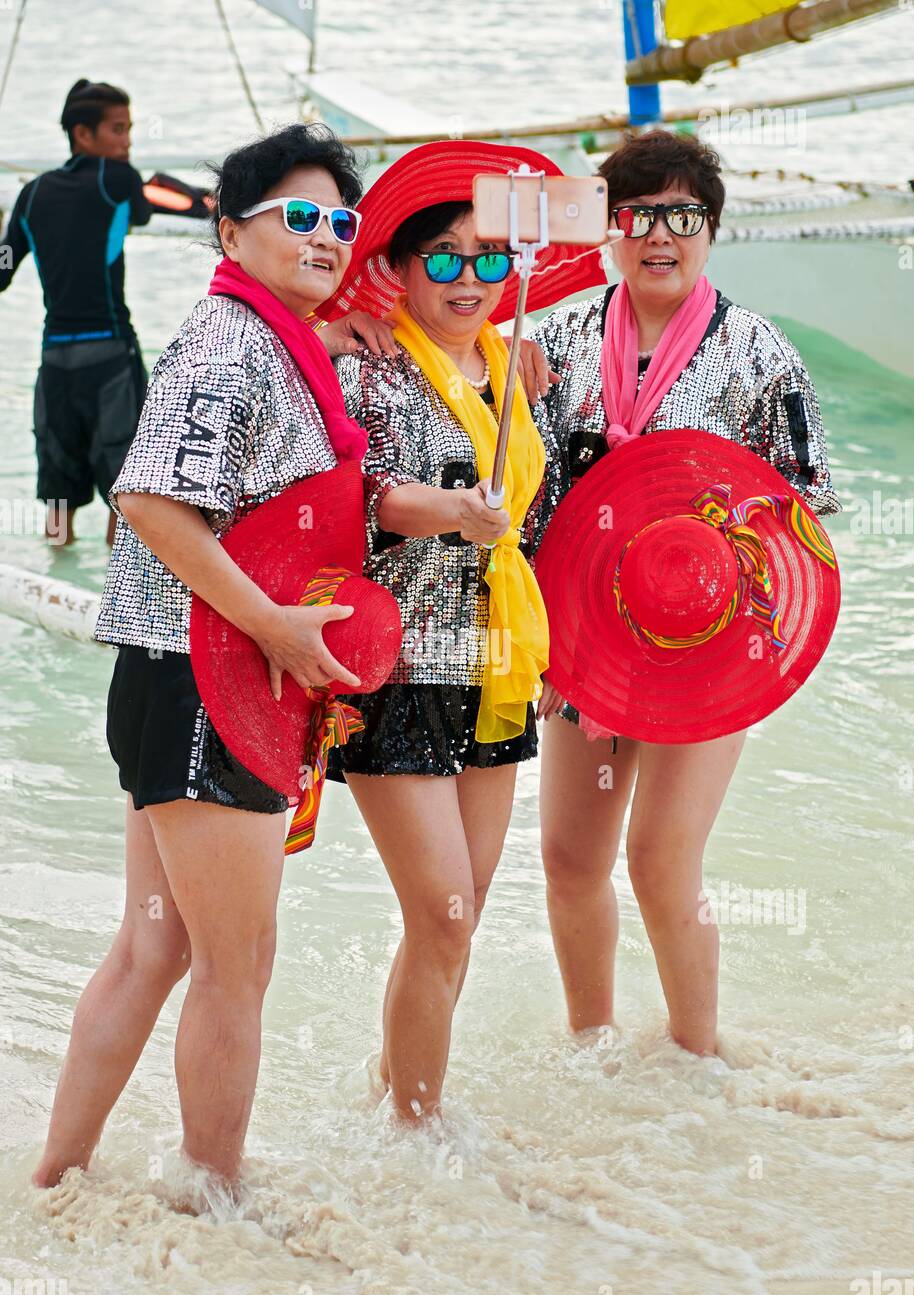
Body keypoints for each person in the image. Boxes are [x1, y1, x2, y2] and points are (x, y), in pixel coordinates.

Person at [32, 123, 370, 1193]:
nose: (324, 238)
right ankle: (208, 1189)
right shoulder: (232, 345)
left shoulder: (277, 339)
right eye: (299, 217)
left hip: (170, 677)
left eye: (341, 222)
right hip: (206, 679)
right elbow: (147, 502)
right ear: (229, 231)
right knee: (235, 962)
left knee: (154, 947)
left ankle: (55, 1178)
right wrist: (273, 623)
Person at [519, 129, 841, 1057]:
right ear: (610, 229)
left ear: (711, 230)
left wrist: (711, 526)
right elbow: (527, 496)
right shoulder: (562, 340)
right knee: (569, 859)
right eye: (639, 214)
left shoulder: (759, 355)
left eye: (683, 216)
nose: (660, 234)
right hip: (584, 631)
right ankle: (594, 1047)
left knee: (661, 863)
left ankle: (699, 1058)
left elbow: (807, 508)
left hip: (710, 635)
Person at [316, 140, 604, 1123]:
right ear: (395, 269)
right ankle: (417, 1129)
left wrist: (566, 653)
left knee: (459, 919)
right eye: (441, 258)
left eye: (487, 259)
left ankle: (392, 1090)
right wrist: (449, 511)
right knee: (439, 913)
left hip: (497, 661)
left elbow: (551, 515)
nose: (468, 279)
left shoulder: (521, 364)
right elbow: (358, 499)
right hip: (395, 665)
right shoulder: (367, 362)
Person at [0, 80, 154, 546]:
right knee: (126, 492)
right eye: (118, 129)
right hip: (110, 359)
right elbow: (147, 211)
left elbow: (3, 266)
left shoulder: (32, 193)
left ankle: (53, 585)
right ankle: (110, 597)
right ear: (83, 134)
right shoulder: (119, 181)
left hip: (56, 367)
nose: (127, 140)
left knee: (58, 499)